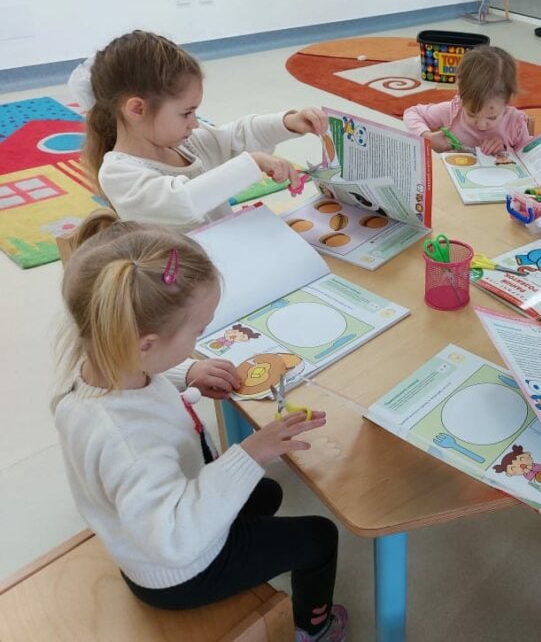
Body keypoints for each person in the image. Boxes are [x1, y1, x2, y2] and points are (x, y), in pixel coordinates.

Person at [53, 217, 347, 641]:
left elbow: (141, 394)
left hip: (152, 524)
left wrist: (187, 374)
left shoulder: (96, 376)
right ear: (145, 345)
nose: (201, 338)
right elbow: (174, 538)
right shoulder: (129, 447)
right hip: (177, 569)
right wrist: (250, 453)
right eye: (198, 331)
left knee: (269, 493)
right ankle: (312, 629)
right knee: (319, 536)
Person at [73, 30, 327, 232]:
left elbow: (234, 138)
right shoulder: (119, 174)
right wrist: (253, 163)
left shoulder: (184, 142)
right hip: (183, 287)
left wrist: (288, 122)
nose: (194, 122)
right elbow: (182, 203)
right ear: (137, 109)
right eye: (186, 113)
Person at [403, 45, 533, 154]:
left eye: (491, 118)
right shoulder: (453, 112)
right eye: (472, 114)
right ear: (461, 94)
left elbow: (527, 161)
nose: (481, 125)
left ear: (507, 100)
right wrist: (426, 136)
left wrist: (505, 149)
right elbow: (412, 113)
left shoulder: (515, 124)